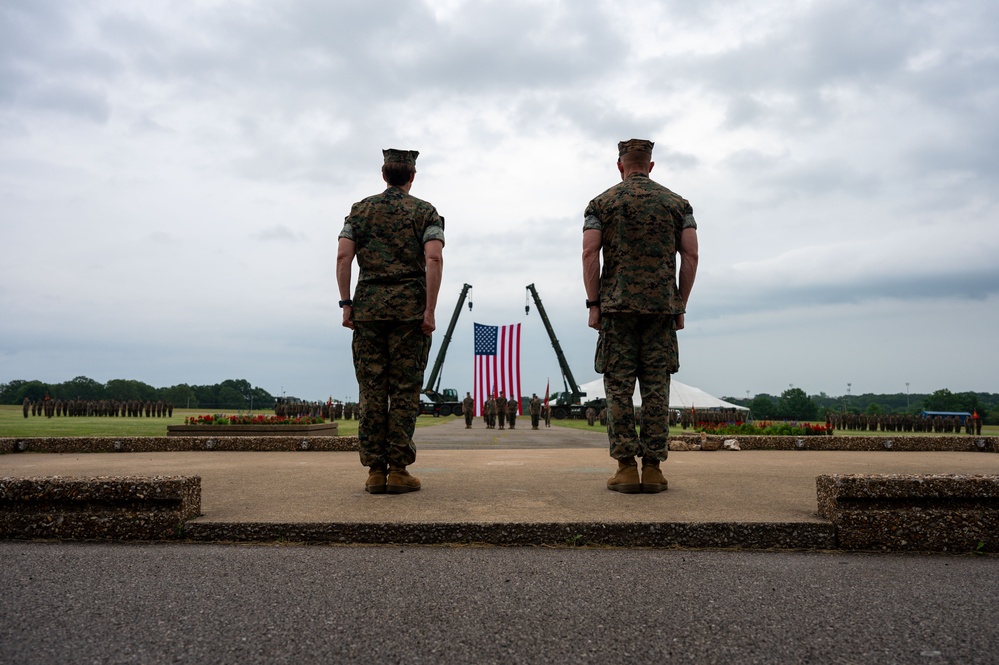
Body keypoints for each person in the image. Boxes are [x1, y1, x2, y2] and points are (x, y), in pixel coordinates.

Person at [582, 138, 699, 494]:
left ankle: (625, 468)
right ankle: (653, 468)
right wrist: (679, 303)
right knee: (656, 390)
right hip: (661, 311)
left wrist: (594, 304)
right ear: (650, 165)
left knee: (618, 390)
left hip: (617, 311)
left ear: (620, 166)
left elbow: (590, 253)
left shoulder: (601, 203)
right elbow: (691, 256)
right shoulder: (678, 204)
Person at [337, 148, 445, 495]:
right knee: (404, 391)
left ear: (384, 175)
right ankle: (398, 470)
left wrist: (346, 303)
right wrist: (429, 309)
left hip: (368, 311)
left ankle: (374, 470)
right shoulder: (425, 211)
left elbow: (343, 255)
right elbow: (434, 258)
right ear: (412, 176)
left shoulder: (360, 210)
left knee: (371, 390)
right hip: (409, 314)